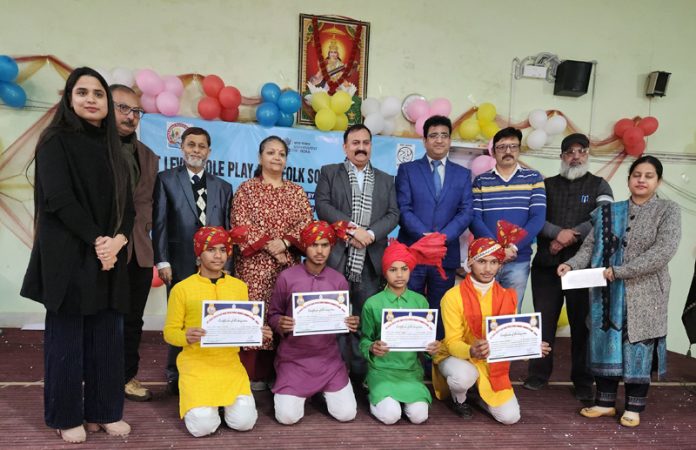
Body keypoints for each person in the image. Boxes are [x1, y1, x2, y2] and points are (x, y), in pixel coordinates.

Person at [20, 67, 134, 443]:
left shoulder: (113, 146)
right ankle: (65, 415)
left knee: (107, 337)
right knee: (67, 340)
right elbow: (59, 199)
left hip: (109, 258)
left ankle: (104, 410)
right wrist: (97, 241)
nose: (90, 99)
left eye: (98, 94)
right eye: (82, 92)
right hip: (70, 255)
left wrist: (117, 241)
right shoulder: (55, 140)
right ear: (69, 99)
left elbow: (129, 205)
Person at [559, 155, 681, 428]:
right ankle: (604, 402)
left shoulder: (668, 211)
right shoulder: (608, 212)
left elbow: (663, 252)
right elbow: (590, 248)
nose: (641, 180)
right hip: (608, 293)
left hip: (646, 292)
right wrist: (570, 264)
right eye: (637, 174)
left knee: (638, 345)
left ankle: (634, 406)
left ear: (657, 181)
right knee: (606, 342)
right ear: (628, 179)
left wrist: (620, 271)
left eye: (648, 176)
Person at [524, 133, 614, 399]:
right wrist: (556, 235)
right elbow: (533, 217)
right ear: (562, 156)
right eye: (570, 152)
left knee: (582, 325)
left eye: (581, 151)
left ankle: (583, 380)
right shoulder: (545, 184)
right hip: (546, 267)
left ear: (587, 154)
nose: (576, 156)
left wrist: (570, 235)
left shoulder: (600, 185)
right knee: (543, 323)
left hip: (584, 270)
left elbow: (603, 218)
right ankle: (538, 375)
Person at [163, 226, 271, 437]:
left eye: (223, 249)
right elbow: (169, 332)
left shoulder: (239, 287)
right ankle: (210, 406)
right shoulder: (182, 289)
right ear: (199, 253)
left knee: (245, 422)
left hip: (229, 364)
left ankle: (220, 405)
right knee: (202, 428)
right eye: (211, 249)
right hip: (196, 366)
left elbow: (242, 326)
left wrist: (258, 331)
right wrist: (185, 336)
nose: (218, 255)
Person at [433, 235, 551, 424]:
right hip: (456, 356)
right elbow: (452, 341)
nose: (488, 269)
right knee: (464, 377)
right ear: (470, 263)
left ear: (500, 265)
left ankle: (480, 393)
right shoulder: (452, 296)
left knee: (510, 418)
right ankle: (459, 399)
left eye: (494, 262)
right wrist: (471, 350)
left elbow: (508, 338)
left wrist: (531, 346)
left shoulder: (507, 296)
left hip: (490, 363)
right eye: (481, 262)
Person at [315, 124, 400, 383]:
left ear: (371, 146)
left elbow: (393, 214)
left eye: (365, 142)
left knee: (365, 321)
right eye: (355, 143)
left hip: (371, 261)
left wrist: (370, 235)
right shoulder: (330, 173)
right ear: (345, 147)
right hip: (338, 257)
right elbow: (323, 205)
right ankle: (333, 375)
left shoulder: (386, 179)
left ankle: (363, 377)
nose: (361, 147)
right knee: (334, 318)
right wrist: (353, 231)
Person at [153, 126, 233, 394]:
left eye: (201, 146)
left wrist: (228, 266)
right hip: (179, 261)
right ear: (182, 148)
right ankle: (176, 372)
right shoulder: (166, 180)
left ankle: (212, 367)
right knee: (180, 318)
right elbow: (160, 223)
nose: (196, 150)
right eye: (191, 145)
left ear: (209, 151)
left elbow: (227, 229)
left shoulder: (223, 187)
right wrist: (162, 261)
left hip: (216, 265)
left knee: (213, 316)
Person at [232, 136, 313, 390]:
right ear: (260, 157)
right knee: (255, 314)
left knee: (284, 314)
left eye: (281, 153)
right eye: (271, 152)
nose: (276, 157)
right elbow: (241, 223)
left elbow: (305, 224)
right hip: (253, 267)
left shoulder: (296, 191)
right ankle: (251, 375)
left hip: (287, 266)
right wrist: (270, 245)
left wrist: (285, 244)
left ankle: (281, 373)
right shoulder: (246, 189)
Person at [268, 221, 359, 425]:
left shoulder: (338, 281)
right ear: (305, 246)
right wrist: (279, 323)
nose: (319, 251)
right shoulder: (287, 277)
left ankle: (319, 392)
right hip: (294, 360)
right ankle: (303, 391)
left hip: (329, 361)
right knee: (287, 417)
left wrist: (350, 324)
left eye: (325, 245)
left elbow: (343, 322)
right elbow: (273, 314)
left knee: (347, 414)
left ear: (331, 247)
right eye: (314, 245)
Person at [396, 115, 473, 338]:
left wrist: (442, 237)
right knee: (410, 308)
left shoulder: (462, 174)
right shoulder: (408, 170)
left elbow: (466, 211)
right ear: (424, 140)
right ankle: (410, 358)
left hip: (445, 254)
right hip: (414, 253)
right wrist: (425, 236)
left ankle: (435, 365)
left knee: (441, 310)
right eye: (433, 135)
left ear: (450, 140)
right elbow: (403, 208)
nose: (439, 140)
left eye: (444, 135)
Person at [360, 233, 447, 425]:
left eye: (404, 269)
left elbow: (427, 344)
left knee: (419, 416)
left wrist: (432, 349)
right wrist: (372, 347)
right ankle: (373, 391)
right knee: (390, 416)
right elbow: (363, 339)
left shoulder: (421, 302)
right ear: (385, 272)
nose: (399, 275)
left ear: (410, 270)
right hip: (381, 370)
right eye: (393, 270)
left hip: (410, 372)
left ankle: (391, 399)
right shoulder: (373, 304)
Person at [110, 84, 160, 402]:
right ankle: (97, 376)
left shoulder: (149, 156)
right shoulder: (92, 151)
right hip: (102, 250)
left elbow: (151, 202)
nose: (131, 116)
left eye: (136, 111)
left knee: (133, 320)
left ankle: (127, 376)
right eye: (124, 109)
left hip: (139, 251)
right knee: (100, 318)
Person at [470, 127, 546, 308]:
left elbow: (537, 218)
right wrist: (496, 251)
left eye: (513, 146)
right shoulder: (481, 181)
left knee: (511, 313)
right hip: (486, 261)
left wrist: (513, 247)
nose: (508, 151)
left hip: (518, 260)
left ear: (519, 149)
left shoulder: (534, 178)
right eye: (502, 147)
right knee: (482, 311)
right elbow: (474, 219)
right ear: (493, 151)